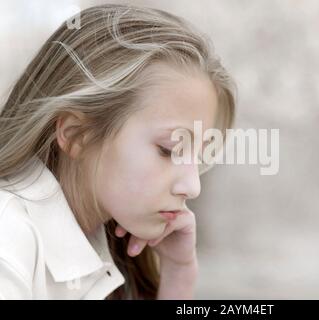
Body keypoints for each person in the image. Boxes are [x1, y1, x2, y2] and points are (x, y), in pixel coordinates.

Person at [0, 4, 235, 299]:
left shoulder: (107, 240)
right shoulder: (7, 242)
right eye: (169, 150)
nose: (192, 187)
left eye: (199, 157)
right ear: (76, 135)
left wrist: (178, 274)